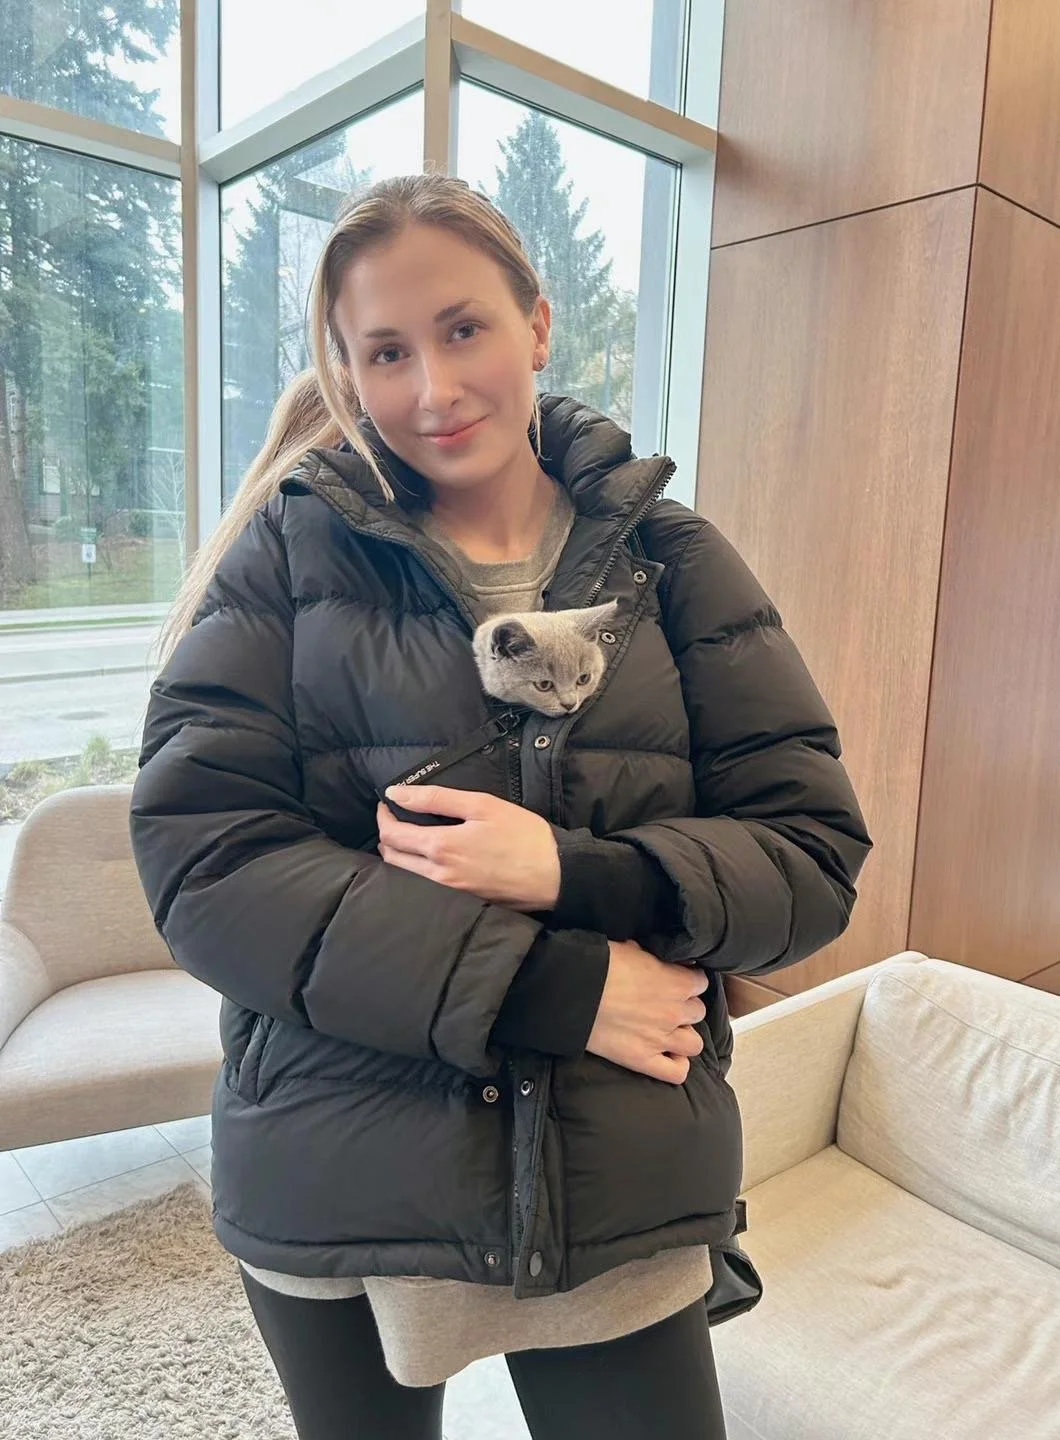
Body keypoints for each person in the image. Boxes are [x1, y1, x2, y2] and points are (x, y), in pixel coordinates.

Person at [130, 173, 872, 1440]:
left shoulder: (677, 563)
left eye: (464, 328)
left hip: (614, 1170)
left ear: (538, 323)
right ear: (348, 371)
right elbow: (208, 867)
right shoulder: (285, 555)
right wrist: (553, 987)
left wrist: (575, 874)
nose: (432, 387)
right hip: (334, 1155)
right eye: (386, 352)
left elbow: (810, 857)